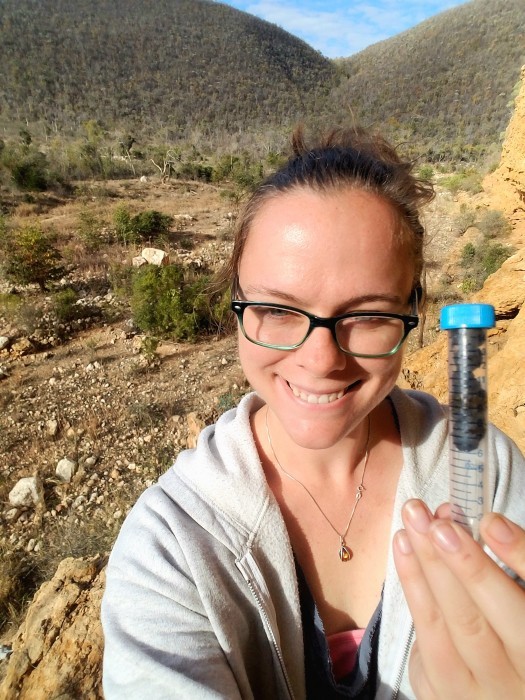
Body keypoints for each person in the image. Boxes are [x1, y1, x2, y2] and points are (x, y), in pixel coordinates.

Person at [101, 126, 525, 699]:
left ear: (413, 310)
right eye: (278, 309)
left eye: (369, 314)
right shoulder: (170, 548)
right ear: (237, 306)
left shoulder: (487, 471)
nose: (321, 359)